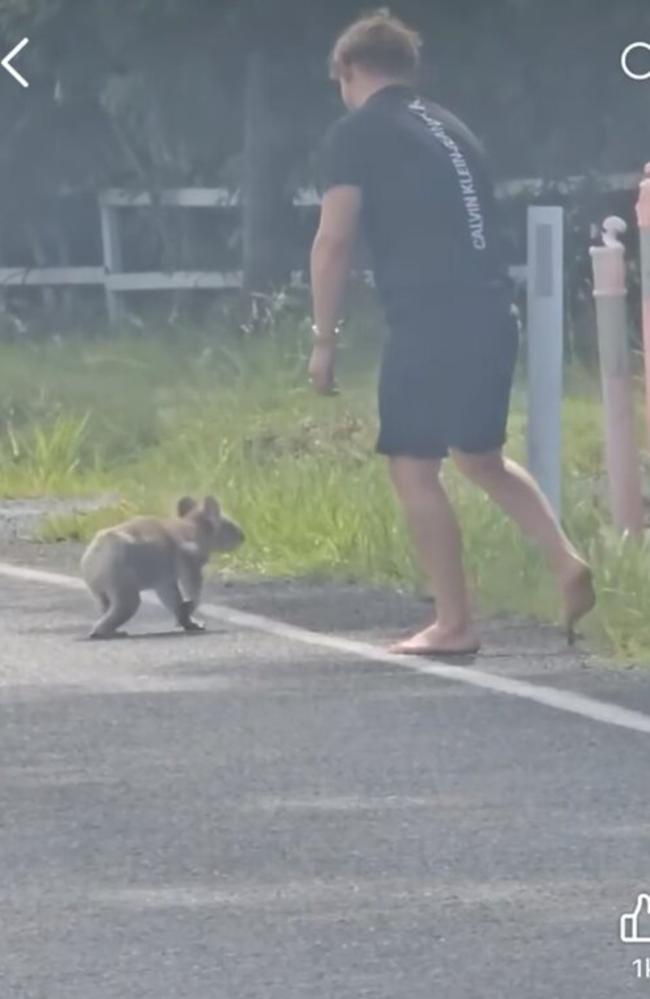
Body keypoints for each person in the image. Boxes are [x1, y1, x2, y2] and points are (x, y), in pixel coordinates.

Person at [308, 10, 595, 655]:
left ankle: (454, 623)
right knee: (479, 456)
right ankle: (565, 560)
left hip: (429, 316)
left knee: (414, 468)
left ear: (349, 71)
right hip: (491, 308)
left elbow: (333, 240)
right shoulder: (453, 129)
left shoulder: (357, 133)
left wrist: (325, 337)